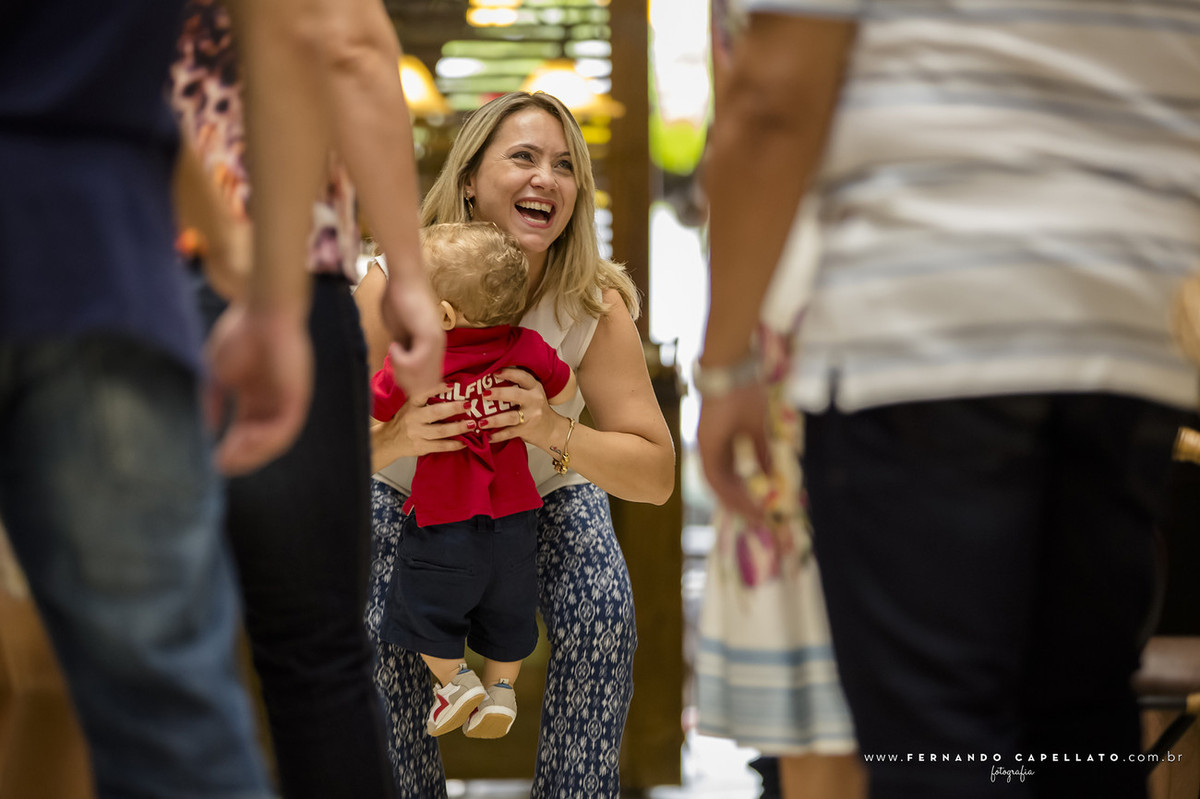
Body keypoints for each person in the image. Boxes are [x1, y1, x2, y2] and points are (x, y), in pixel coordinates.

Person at [698, 4, 1200, 799]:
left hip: (924, 317)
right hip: (1130, 323)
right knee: (1079, 729)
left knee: (939, 745)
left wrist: (725, 364)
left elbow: (773, 96)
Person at [0, 0, 324, 794]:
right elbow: (295, 22)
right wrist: (276, 298)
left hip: (92, 245)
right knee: (167, 714)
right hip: (90, 256)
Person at [355, 91, 676, 797]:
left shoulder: (590, 301)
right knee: (375, 625)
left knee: (602, 611)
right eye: (523, 157)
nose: (546, 178)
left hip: (537, 495)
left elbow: (655, 475)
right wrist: (397, 436)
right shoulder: (394, 282)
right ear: (470, 178)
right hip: (407, 496)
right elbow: (312, 445)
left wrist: (551, 428)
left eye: (565, 166)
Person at [169, 1, 444, 797]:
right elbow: (346, 42)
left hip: (74, 261)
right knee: (313, 659)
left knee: (128, 664)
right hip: (262, 263)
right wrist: (409, 278)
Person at [372, 221, 578, 740]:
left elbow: (373, 401)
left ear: (440, 314)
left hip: (444, 518)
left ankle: (455, 680)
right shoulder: (525, 347)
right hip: (514, 517)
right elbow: (568, 384)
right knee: (510, 609)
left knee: (420, 606)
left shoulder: (417, 361)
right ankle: (501, 691)